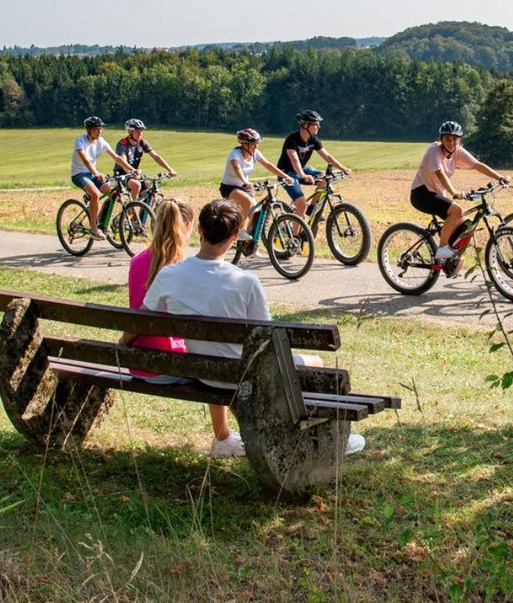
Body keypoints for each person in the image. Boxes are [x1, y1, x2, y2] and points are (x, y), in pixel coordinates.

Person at [141, 199, 366, 458]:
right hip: (243, 375)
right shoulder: (246, 281)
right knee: (315, 361)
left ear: (200, 230)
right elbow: (267, 338)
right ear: (236, 236)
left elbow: (145, 319)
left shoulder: (169, 275)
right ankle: (333, 439)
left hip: (203, 373)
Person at [120, 198, 234, 449]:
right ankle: (223, 436)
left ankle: (225, 435)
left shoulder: (137, 260)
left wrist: (123, 344)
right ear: (189, 225)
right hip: (168, 365)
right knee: (215, 361)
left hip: (138, 363)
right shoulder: (182, 268)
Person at [408, 120, 508, 276]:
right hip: (421, 194)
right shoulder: (434, 150)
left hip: (437, 195)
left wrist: (500, 177)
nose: (451, 141)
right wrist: (454, 192)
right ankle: (442, 253)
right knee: (456, 210)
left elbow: (477, 165)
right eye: (447, 138)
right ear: (441, 139)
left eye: (455, 138)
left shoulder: (458, 152)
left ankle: (451, 259)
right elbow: (440, 174)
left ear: (459, 140)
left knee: (466, 226)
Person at [278, 110, 352, 215]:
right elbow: (294, 160)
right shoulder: (292, 140)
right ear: (306, 125)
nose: (319, 126)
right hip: (287, 173)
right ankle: (296, 232)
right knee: (301, 204)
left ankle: (312, 208)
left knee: (325, 178)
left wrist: (343, 168)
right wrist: (303, 175)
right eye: (316, 124)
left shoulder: (313, 140)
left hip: (302, 169)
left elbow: (327, 156)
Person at [70, 116, 133, 238]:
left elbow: (117, 158)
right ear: (89, 130)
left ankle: (104, 223)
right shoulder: (80, 141)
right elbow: (86, 160)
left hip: (93, 173)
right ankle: (93, 228)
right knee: (95, 194)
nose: (99, 132)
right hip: (79, 174)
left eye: (101, 129)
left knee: (113, 194)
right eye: (96, 129)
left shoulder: (101, 141)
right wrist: (96, 173)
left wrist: (132, 169)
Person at [219, 128, 290, 235]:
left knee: (256, 218)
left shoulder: (254, 153)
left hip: (244, 188)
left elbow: (268, 165)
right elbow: (236, 167)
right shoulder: (235, 154)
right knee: (248, 202)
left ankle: (249, 247)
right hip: (229, 187)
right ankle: (238, 232)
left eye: (257, 143)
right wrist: (245, 181)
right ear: (244, 144)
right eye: (253, 144)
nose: (256, 146)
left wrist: (286, 176)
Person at [115, 118, 176, 201]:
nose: (140, 133)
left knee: (152, 195)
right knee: (136, 185)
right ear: (130, 131)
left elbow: (156, 156)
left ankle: (144, 213)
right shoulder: (122, 144)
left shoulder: (142, 142)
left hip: (135, 173)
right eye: (137, 131)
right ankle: (130, 210)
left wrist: (170, 169)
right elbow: (123, 162)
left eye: (141, 131)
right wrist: (132, 172)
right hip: (122, 174)